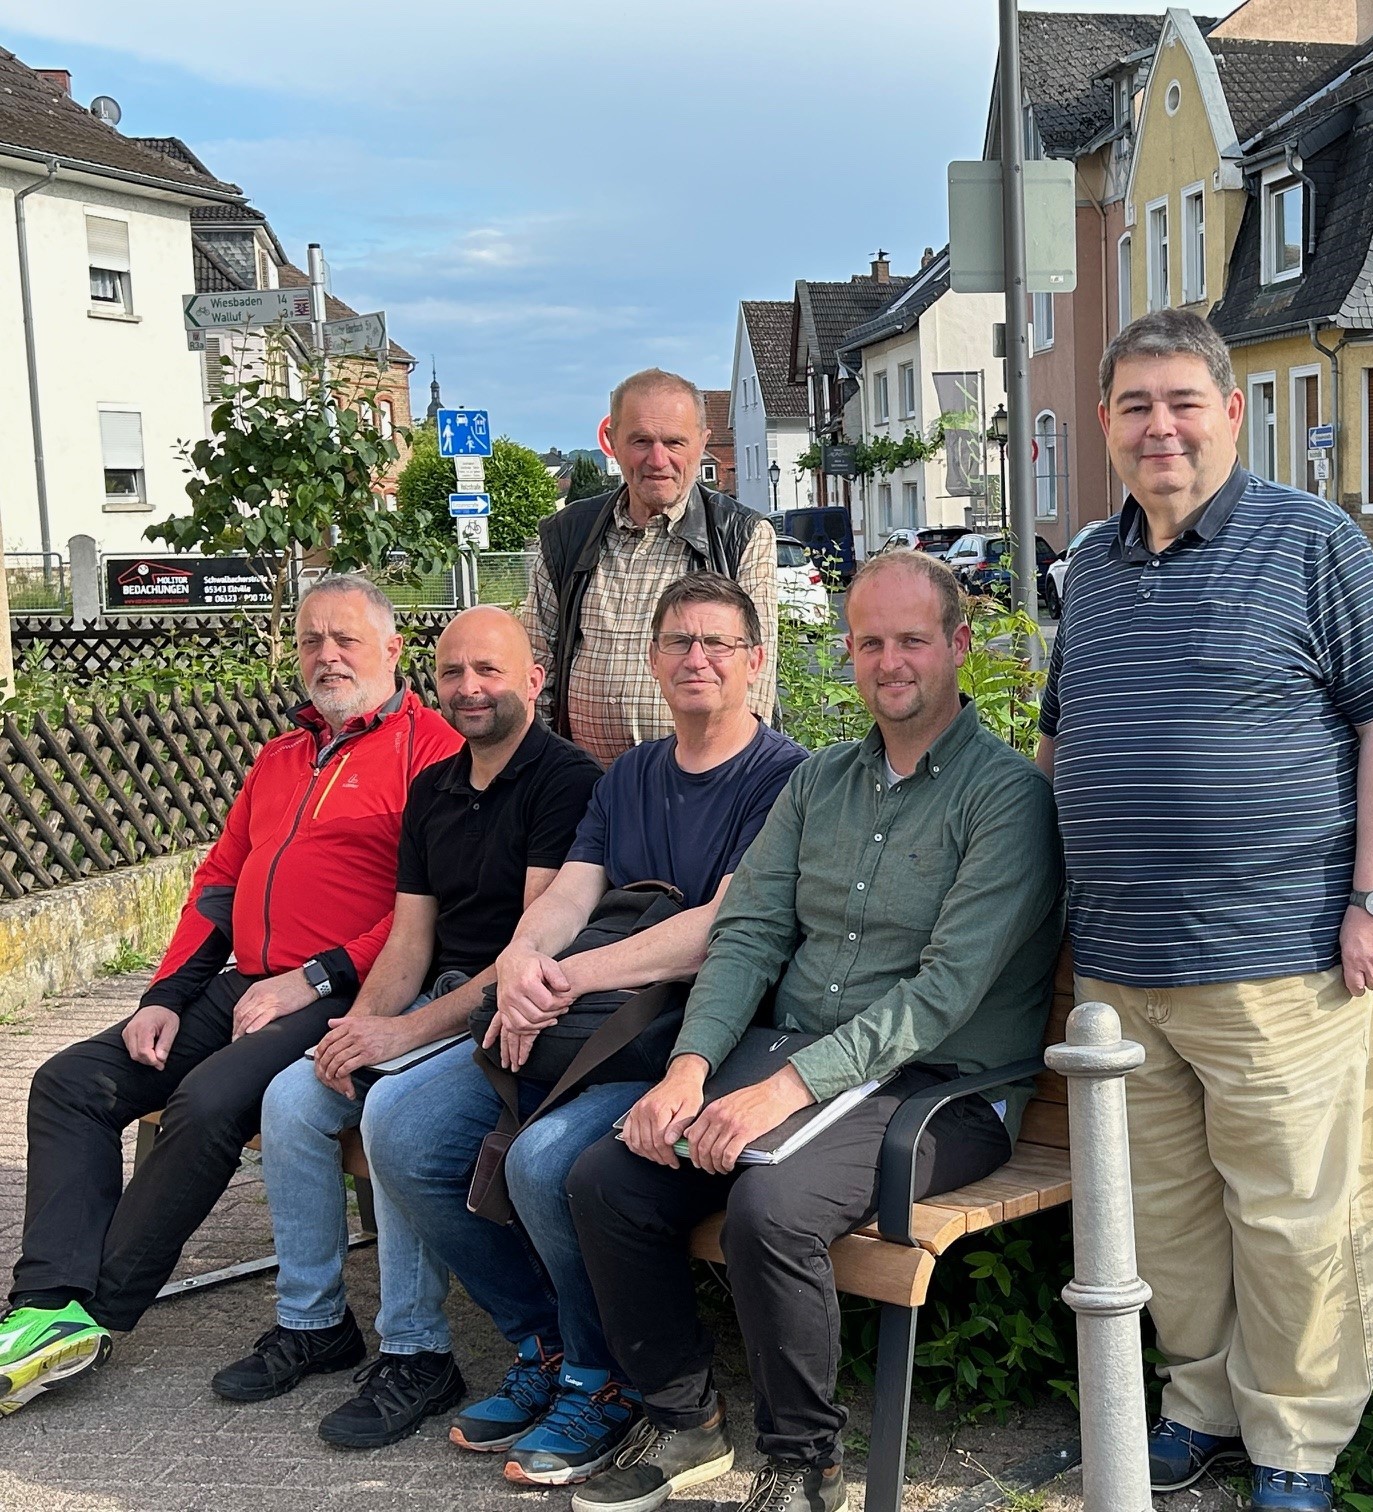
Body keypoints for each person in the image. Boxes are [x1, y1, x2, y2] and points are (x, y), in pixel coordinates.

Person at [1035, 310, 1373, 1512]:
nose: (1160, 426)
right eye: (1135, 406)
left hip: (1282, 960)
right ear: (1107, 425)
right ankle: (1200, 1409)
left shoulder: (1311, 540)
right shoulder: (1091, 572)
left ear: (1228, 410)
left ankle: (1295, 1448)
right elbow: (1064, 744)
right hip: (1119, 969)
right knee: (1166, 1222)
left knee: (1300, 1219)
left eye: (1182, 402)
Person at [564, 550, 1064, 1512]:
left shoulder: (1005, 798)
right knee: (608, 1180)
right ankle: (687, 1425)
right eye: (869, 641)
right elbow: (747, 934)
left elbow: (944, 992)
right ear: (847, 653)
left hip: (940, 1089)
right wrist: (690, 1068)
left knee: (772, 1209)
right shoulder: (819, 782)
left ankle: (804, 1464)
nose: (890, 661)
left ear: (959, 645)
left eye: (912, 639)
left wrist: (783, 1091)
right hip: (787, 1061)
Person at [362, 573, 806, 1489]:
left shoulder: (786, 778)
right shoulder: (633, 772)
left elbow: (720, 925)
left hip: (686, 1040)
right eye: (678, 642)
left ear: (756, 663)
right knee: (400, 1131)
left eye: (718, 644)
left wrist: (562, 979)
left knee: (542, 1160)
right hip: (579, 1022)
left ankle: (604, 1378)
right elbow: (572, 891)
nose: (697, 659)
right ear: (650, 661)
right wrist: (524, 967)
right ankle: (545, 1343)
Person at [0, 576, 462, 1415]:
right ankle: (41, 1302)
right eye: (311, 640)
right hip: (237, 983)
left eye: (347, 640)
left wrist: (311, 979)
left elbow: (421, 914)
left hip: (339, 991)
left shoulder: (427, 752)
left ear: (394, 651)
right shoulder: (281, 755)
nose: (326, 655)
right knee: (68, 1083)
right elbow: (219, 882)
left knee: (207, 1101)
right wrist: (166, 993)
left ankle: (92, 1313)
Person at [209, 607, 602, 1449]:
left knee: (393, 1110)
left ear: (534, 680)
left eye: (489, 671)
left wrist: (399, 1038)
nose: (469, 689)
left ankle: (417, 1350)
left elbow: (522, 956)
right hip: (430, 997)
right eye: (453, 672)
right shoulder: (435, 787)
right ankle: (314, 1321)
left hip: (508, 1010)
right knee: (295, 1096)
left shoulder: (563, 780)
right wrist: (356, 1029)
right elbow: (409, 938)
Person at [525, 368, 780, 764]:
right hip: (582, 787)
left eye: (674, 442)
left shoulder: (740, 535)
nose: (657, 459)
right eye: (641, 441)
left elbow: (753, 683)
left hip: (697, 788)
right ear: (612, 442)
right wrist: (548, 774)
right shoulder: (567, 534)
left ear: (702, 444)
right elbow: (534, 670)